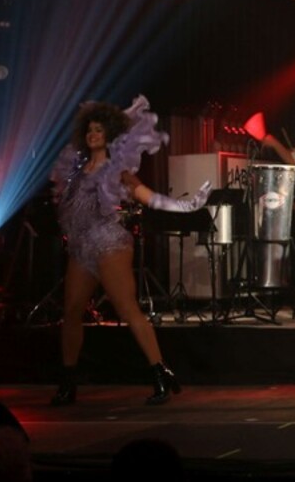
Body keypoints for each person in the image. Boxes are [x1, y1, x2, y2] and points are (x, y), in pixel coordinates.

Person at [49, 95, 211, 406]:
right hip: (82, 248)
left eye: (98, 130)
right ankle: (67, 382)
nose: (93, 134)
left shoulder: (119, 172)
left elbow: (150, 198)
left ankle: (160, 372)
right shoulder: (76, 173)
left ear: (109, 135)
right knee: (71, 312)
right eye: (89, 130)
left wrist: (189, 205)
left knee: (127, 309)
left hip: (110, 243)